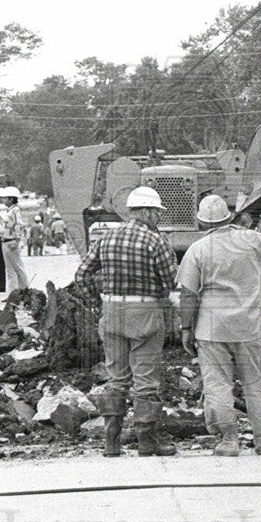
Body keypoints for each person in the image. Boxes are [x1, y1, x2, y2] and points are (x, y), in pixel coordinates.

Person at [75, 186, 178, 457]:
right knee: (146, 380)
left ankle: (111, 441)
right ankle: (147, 441)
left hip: (112, 312)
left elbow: (82, 275)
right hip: (144, 313)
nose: (157, 217)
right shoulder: (156, 241)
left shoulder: (106, 238)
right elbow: (170, 280)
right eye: (156, 212)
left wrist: (99, 303)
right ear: (145, 211)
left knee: (116, 378)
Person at [177, 195, 261, 456]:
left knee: (218, 385)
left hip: (211, 329)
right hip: (248, 325)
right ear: (229, 217)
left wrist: (186, 329)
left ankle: (229, 441)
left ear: (200, 222)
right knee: (255, 383)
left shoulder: (197, 250)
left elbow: (188, 295)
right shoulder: (251, 240)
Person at [0, 186, 29, 291]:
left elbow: (19, 225)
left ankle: (24, 289)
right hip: (6, 241)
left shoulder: (15, 211)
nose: (4, 200)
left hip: (11, 241)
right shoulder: (9, 211)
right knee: (10, 270)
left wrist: (17, 240)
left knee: (18, 268)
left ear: (11, 199)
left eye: (6, 198)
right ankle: (13, 292)